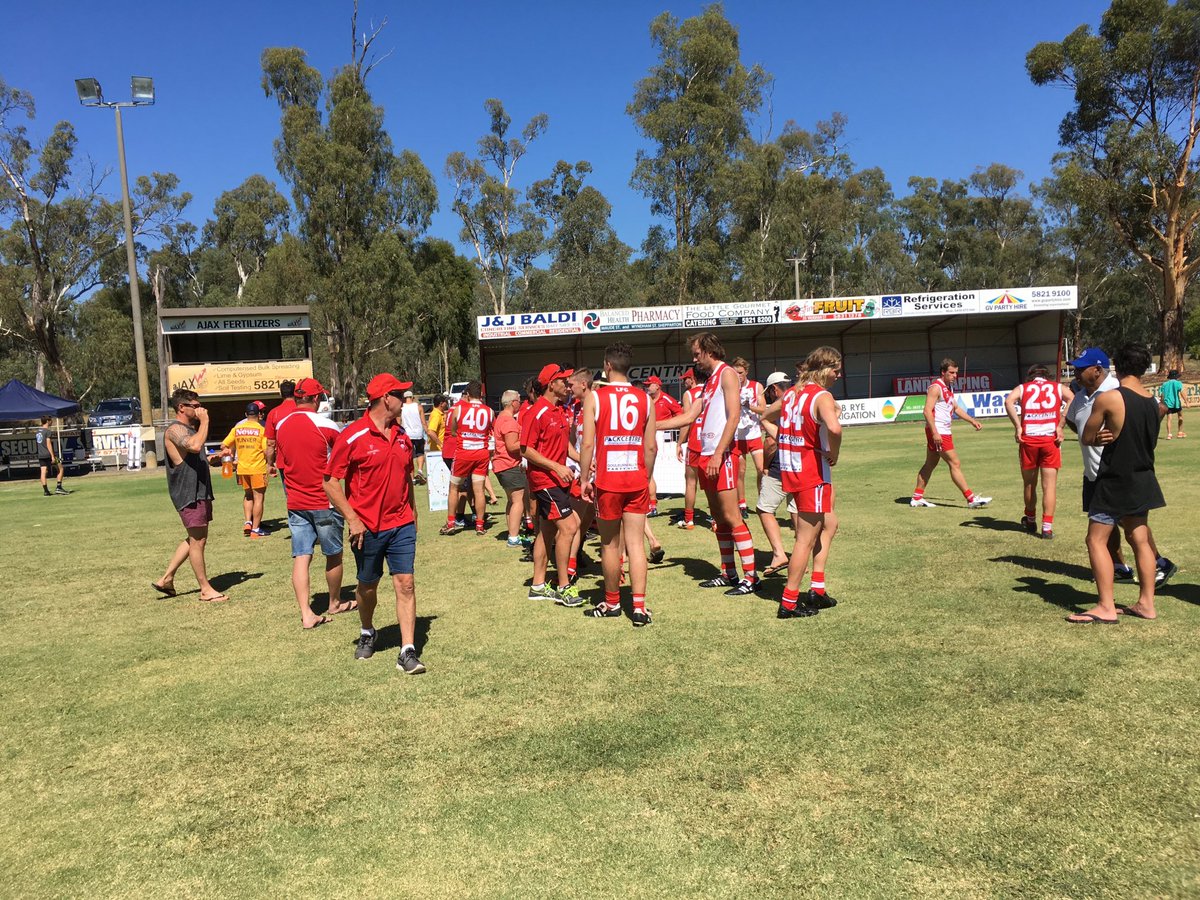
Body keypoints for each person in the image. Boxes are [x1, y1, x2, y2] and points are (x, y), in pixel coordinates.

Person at [324, 373, 426, 674]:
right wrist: (353, 519)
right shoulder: (353, 435)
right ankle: (367, 630)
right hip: (366, 528)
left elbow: (407, 476)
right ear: (386, 398)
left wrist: (414, 514)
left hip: (401, 523)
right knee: (367, 586)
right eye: (400, 394)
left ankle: (407, 650)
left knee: (405, 583)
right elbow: (331, 482)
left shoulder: (404, 436)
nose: (405, 399)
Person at [1065, 348, 1178, 591]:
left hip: (1117, 473)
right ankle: (1119, 567)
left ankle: (1159, 563)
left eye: (1080, 368)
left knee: (1130, 528)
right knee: (1111, 526)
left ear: (1098, 370)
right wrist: (1091, 435)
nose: (1075, 372)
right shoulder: (1080, 395)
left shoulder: (1118, 390)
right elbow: (1073, 421)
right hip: (1093, 472)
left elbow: (1156, 409)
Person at [657, 333, 759, 596]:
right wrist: (651, 426)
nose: (694, 359)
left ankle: (751, 577)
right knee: (719, 519)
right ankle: (728, 572)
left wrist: (718, 454)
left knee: (732, 517)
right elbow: (689, 416)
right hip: (706, 456)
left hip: (721, 456)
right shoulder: (709, 382)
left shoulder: (727, 374)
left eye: (696, 353)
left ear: (709, 350)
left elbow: (734, 417)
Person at [580, 342, 657, 626]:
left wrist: (585, 478)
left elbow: (588, 442)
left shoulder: (596, 398)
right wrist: (646, 478)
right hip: (635, 478)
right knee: (636, 544)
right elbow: (651, 449)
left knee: (610, 544)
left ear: (608, 366)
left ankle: (612, 603)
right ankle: (638, 608)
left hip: (608, 481)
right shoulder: (645, 399)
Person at [764, 347, 844, 619]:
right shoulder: (821, 395)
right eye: (836, 369)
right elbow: (834, 428)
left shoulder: (793, 394)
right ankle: (789, 602)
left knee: (829, 523)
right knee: (805, 538)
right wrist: (834, 452)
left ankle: (817, 589)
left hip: (794, 470)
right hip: (813, 472)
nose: (839, 374)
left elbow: (769, 417)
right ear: (824, 368)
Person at [270, 377, 350, 630]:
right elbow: (343, 460)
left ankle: (306, 612)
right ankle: (334, 602)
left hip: (295, 501)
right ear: (316, 399)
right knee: (333, 554)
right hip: (324, 501)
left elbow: (281, 460)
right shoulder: (327, 425)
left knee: (301, 556)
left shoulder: (281, 424)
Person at [152, 389, 227, 603]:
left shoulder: (188, 429)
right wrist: (205, 421)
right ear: (181, 407)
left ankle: (166, 579)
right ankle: (205, 589)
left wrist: (215, 458)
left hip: (199, 491)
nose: (200, 409)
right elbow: (193, 446)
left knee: (194, 538)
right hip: (189, 493)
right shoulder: (174, 429)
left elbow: (195, 455)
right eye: (195, 406)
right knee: (198, 540)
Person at [521, 363, 582, 606]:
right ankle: (563, 586)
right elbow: (525, 449)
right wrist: (556, 466)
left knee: (547, 532)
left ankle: (537, 585)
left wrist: (585, 461)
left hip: (557, 479)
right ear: (551, 384)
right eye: (564, 381)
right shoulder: (536, 412)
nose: (568, 385)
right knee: (569, 527)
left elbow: (565, 445)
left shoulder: (560, 410)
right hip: (545, 480)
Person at [910, 358, 992, 509]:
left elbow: (956, 408)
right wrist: (935, 433)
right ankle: (970, 498)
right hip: (939, 431)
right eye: (951, 373)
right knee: (955, 463)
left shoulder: (948, 388)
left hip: (943, 431)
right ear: (943, 372)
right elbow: (927, 411)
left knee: (930, 463)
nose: (955, 376)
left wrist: (972, 421)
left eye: (956, 373)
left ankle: (917, 497)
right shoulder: (936, 388)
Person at [1004, 364, 1072, 539]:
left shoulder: (1023, 388)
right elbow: (1073, 398)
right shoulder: (1057, 387)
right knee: (1049, 486)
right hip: (1051, 440)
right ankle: (1047, 528)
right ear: (1047, 376)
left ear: (1030, 376)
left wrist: (1018, 426)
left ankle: (1031, 519)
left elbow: (1008, 401)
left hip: (1029, 439)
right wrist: (1061, 424)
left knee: (1029, 484)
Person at [755, 373, 796, 576]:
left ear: (773, 389)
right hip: (803, 466)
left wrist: (765, 465)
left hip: (781, 466)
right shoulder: (801, 399)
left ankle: (779, 554)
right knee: (797, 513)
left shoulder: (778, 407)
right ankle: (800, 559)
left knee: (764, 509)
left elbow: (771, 443)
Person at [441, 381, 493, 536]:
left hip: (464, 452)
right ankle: (480, 525)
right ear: (481, 394)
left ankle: (451, 523)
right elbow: (490, 431)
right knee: (478, 490)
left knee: (454, 487)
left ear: (468, 394)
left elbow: (453, 429)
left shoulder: (459, 409)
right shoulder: (489, 411)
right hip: (481, 452)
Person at [220, 403, 271, 538]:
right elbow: (266, 450)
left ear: (245, 414)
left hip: (242, 468)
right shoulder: (261, 430)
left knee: (248, 496)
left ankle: (248, 522)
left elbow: (224, 444)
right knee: (258, 498)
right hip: (257, 467)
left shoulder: (237, 429)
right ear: (259, 414)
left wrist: (227, 452)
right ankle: (255, 530)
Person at [492, 390, 528, 548]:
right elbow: (512, 446)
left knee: (512, 501)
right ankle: (513, 537)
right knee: (518, 501)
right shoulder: (509, 421)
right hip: (509, 465)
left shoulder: (501, 418)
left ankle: (512, 533)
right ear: (513, 402)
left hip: (502, 465)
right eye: (519, 400)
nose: (520, 403)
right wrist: (528, 444)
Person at [731, 357, 765, 520]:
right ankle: (741, 504)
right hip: (737, 436)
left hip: (753, 433)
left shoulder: (756, 386)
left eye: (741, 373)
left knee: (761, 469)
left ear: (746, 372)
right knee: (740, 472)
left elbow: (763, 409)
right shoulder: (730, 387)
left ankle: (763, 501)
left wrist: (748, 406)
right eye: (735, 372)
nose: (738, 376)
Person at [644, 375, 680, 517]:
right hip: (649, 437)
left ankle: (654, 502)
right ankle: (652, 502)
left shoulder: (666, 399)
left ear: (657, 386)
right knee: (650, 470)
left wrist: (669, 426)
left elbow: (680, 413)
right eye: (646, 384)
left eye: (649, 384)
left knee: (660, 468)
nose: (647, 386)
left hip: (664, 437)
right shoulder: (646, 399)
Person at [675, 367, 704, 530]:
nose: (684, 382)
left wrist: (680, 443)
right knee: (713, 485)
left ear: (692, 379)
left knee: (691, 482)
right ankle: (716, 519)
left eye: (685, 379)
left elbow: (686, 420)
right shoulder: (712, 391)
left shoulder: (689, 395)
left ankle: (689, 519)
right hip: (711, 443)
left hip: (695, 443)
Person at [264, 380, 297, 493]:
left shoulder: (274, 413)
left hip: (284, 460)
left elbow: (270, 443)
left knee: (290, 494)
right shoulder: (303, 410)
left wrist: (270, 463)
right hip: (306, 458)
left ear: (280, 394)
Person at [400, 390, 429, 483]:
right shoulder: (418, 407)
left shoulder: (401, 408)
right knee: (420, 453)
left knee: (410, 456)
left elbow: (398, 422)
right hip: (418, 433)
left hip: (407, 434)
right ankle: (420, 470)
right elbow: (424, 422)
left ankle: (411, 478)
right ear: (412, 397)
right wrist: (427, 432)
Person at [36, 416, 67, 496]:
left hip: (41, 455)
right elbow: (48, 444)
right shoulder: (47, 431)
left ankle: (46, 491)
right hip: (48, 454)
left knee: (43, 472)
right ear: (47, 421)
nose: (51, 422)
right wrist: (52, 456)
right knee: (60, 468)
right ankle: (59, 487)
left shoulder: (38, 431)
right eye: (50, 420)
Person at [1160, 369, 1186, 439]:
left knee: (1169, 419)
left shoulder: (1164, 384)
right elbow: (1182, 393)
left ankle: (1169, 434)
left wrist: (1162, 403)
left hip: (1167, 403)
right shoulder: (1178, 383)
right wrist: (1187, 402)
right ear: (1176, 376)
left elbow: (1162, 395)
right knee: (1180, 416)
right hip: (1176, 403)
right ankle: (1180, 433)